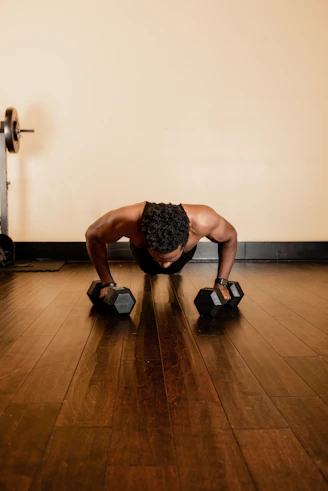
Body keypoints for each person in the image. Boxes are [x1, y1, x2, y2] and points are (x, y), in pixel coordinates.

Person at [86, 201, 237, 301]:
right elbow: (92, 235)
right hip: (144, 259)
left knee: (171, 268)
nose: (164, 265)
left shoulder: (204, 220)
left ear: (186, 239)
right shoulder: (126, 220)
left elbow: (230, 237)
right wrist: (107, 283)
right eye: (160, 260)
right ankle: (159, 257)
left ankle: (166, 258)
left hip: (181, 258)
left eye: (169, 259)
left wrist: (221, 283)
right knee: (151, 268)